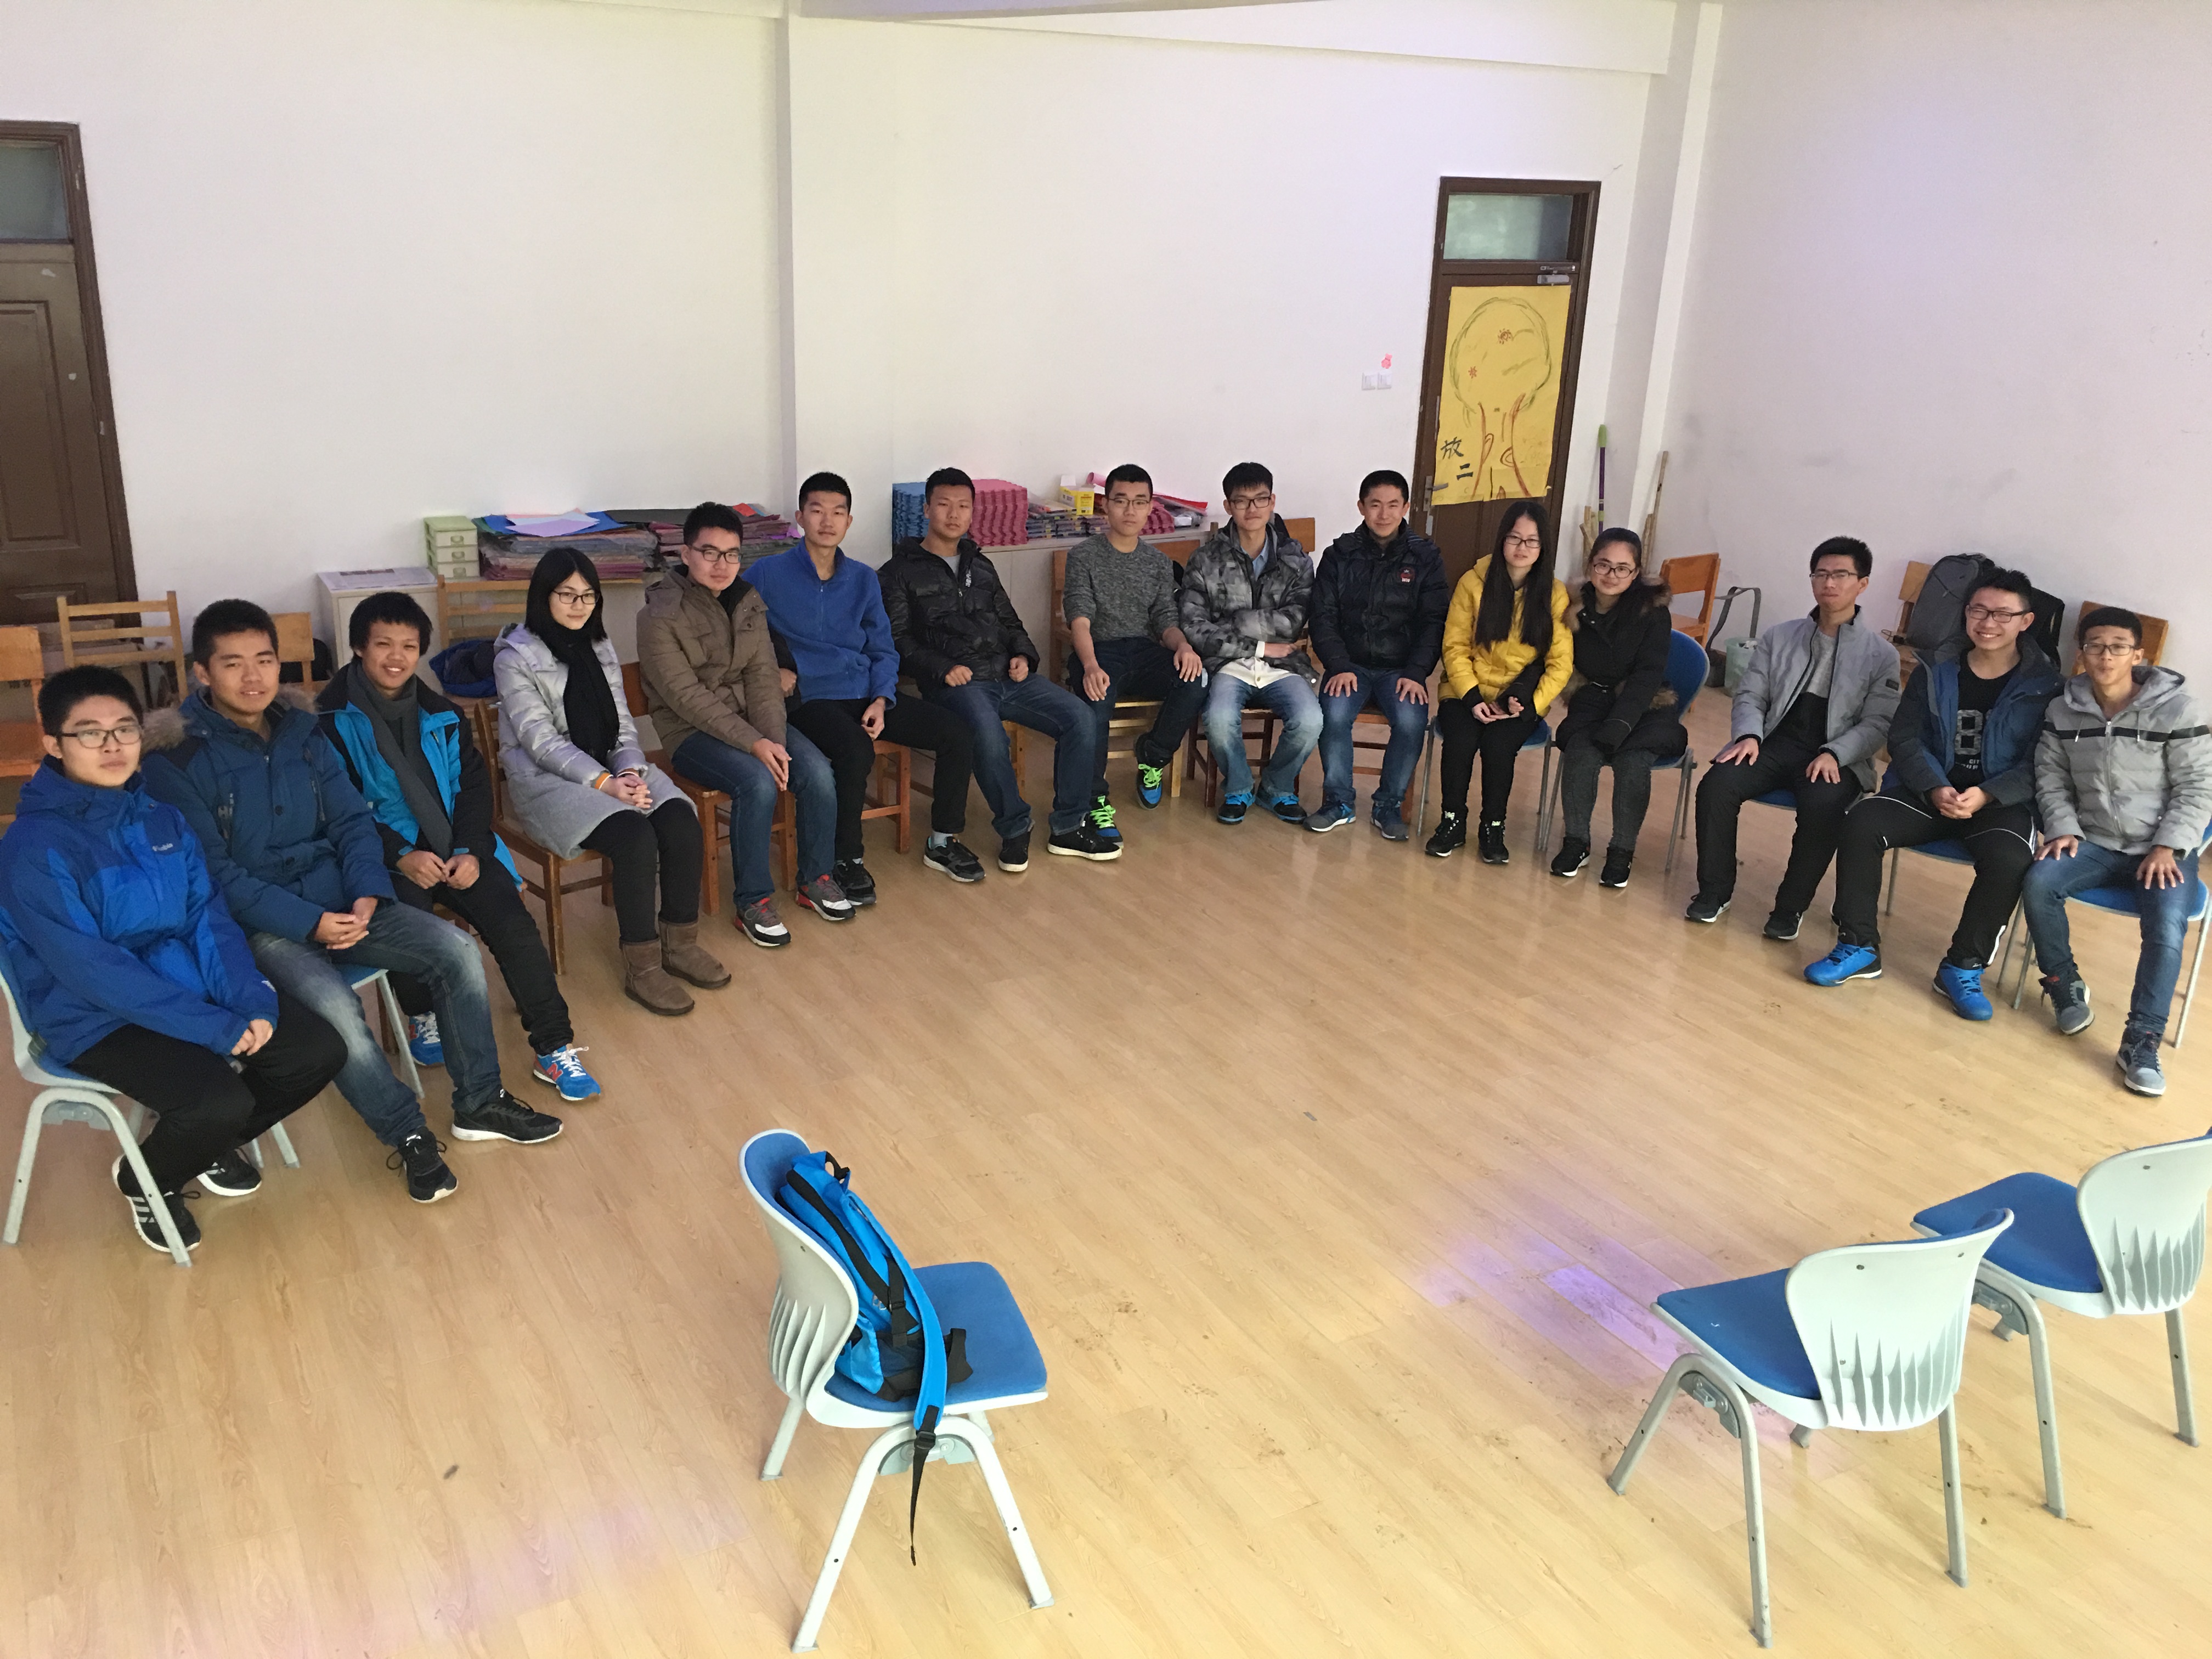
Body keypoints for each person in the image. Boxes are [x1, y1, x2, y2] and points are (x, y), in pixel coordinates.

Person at [144, 600, 560, 1207]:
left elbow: (352, 821)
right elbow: (214, 875)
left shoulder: (302, 729)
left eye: (265, 660)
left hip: (344, 899)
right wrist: (310, 922)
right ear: (202, 673)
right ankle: (408, 1132)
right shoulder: (175, 759)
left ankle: (480, 1102)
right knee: (339, 1013)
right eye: (233, 664)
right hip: (262, 926)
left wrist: (367, 890)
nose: (254, 677)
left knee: (457, 953)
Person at [0, 667, 345, 1252]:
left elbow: (207, 919)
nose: (112, 745)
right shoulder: (33, 847)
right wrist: (215, 1027)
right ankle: (149, 1177)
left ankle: (194, 1145)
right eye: (90, 733)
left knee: (316, 1051)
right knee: (218, 1101)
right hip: (92, 1016)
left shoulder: (162, 819)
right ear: (53, 744)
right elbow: (91, 970)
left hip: (184, 989)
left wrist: (249, 1000)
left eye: (125, 729)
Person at [317, 591, 602, 1101]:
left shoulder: (441, 712)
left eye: (409, 646)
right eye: (383, 644)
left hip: (455, 845)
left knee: (515, 927)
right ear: (359, 647)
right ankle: (421, 1014)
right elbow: (338, 807)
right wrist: (400, 855)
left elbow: (474, 787)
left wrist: (471, 849)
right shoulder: (328, 722)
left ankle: (554, 1046)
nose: (397, 657)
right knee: (406, 925)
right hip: (380, 854)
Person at [1805, 567, 2060, 1017]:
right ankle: (1859, 945)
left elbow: (2041, 761)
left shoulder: (2047, 685)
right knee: (1862, 822)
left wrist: (1987, 794)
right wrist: (1936, 785)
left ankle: (1962, 967)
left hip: (1999, 802)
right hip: (1929, 791)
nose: (1988, 623)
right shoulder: (1935, 667)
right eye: (1979, 610)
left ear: (2026, 621)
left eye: (2003, 614)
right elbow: (1904, 737)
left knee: (2009, 859)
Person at [494, 550, 725, 1014]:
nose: (579, 606)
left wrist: (629, 771)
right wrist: (606, 783)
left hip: (608, 769)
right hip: (546, 782)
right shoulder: (515, 655)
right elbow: (540, 742)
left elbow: (621, 726)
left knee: (681, 821)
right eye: (567, 595)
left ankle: (679, 945)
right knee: (634, 836)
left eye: (588, 596)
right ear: (543, 597)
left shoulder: (599, 646)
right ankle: (643, 967)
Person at [749, 471, 987, 891]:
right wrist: (773, 670)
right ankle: (846, 858)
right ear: (800, 517)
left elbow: (883, 648)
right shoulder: (766, 573)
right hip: (809, 697)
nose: (827, 521)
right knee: (855, 749)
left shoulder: (863, 578)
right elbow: (738, 630)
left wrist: (881, 699)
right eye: (817, 511)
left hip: (864, 693)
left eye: (838, 512)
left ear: (849, 521)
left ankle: (943, 841)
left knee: (957, 732)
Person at [637, 501, 853, 948]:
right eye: (710, 553)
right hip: (690, 733)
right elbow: (687, 698)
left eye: (732, 554)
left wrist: (774, 741)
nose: (722, 565)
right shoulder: (659, 615)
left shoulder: (748, 601)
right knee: (756, 782)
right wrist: (757, 745)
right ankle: (753, 901)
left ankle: (816, 878)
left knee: (815, 771)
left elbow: (763, 678)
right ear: (686, 553)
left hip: (753, 722)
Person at [879, 468, 1116, 867]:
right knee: (989, 737)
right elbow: (897, 639)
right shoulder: (898, 573)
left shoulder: (981, 565)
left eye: (963, 506)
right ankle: (1015, 827)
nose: (954, 514)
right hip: (958, 682)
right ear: (926, 509)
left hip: (1008, 675)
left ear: (973, 512)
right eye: (944, 505)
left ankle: (1068, 827)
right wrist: (942, 668)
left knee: (1080, 717)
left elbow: (1010, 622)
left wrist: (1024, 655)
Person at [2023, 607, 2212, 1097]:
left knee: (2166, 924)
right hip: (2093, 841)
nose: (2105, 656)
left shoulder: (2178, 710)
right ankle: (2064, 983)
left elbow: (2198, 786)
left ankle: (2142, 1040)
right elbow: (2051, 778)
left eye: (2118, 647)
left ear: (2138, 655)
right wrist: (2063, 827)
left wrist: (2168, 845)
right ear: (2081, 653)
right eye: (2095, 646)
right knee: (2039, 883)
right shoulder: (2063, 710)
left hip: (2161, 848)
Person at [1685, 538, 1901, 930]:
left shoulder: (1881, 655)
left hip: (1837, 754)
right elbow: (1751, 694)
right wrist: (1748, 735)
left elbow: (1878, 723)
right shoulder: (1780, 636)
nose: (1829, 583)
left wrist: (1836, 753)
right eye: (1821, 574)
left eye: (1840, 575)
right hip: (1774, 740)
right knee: (1717, 786)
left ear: (1862, 584)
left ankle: (1790, 908)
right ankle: (1714, 891)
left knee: (1824, 807)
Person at [1062, 463, 1207, 831]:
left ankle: (1152, 756)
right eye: (1121, 501)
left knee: (1196, 678)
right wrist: (1090, 665)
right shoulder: (1083, 556)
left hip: (1143, 651)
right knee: (1096, 698)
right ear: (1106, 506)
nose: (1130, 510)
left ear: (1150, 508)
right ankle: (1094, 799)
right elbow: (1080, 619)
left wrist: (1184, 647)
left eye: (1139, 502)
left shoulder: (1158, 563)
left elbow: (1165, 621)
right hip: (1099, 651)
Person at [1427, 501, 1573, 862]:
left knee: (1498, 746)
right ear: (1501, 539)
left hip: (1518, 698)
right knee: (1461, 741)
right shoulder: (1473, 582)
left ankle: (1493, 826)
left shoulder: (1554, 594)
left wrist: (1532, 706)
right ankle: (1452, 821)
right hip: (1466, 689)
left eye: (1532, 541)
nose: (1522, 548)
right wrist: (1471, 696)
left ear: (1543, 547)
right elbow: (1455, 646)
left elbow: (1560, 664)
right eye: (1514, 538)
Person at [1307, 469, 1447, 840]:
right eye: (1375, 505)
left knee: (1411, 721)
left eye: (1393, 505)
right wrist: (1337, 664)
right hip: (1348, 665)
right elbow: (1322, 617)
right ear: (1361, 507)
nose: (1384, 514)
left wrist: (1417, 672)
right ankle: (1338, 802)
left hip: (1401, 669)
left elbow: (1433, 621)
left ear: (1406, 507)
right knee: (1333, 714)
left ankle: (1388, 805)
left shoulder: (1425, 557)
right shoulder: (1339, 555)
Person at [1181, 462, 1322, 826]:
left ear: (1272, 501)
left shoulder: (1295, 559)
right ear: (1228, 506)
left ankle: (1276, 786)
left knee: (1310, 719)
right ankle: (1239, 787)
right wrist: (1257, 647)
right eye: (1242, 501)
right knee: (1219, 718)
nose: (1252, 509)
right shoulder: (1206, 560)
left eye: (1260, 499)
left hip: (1283, 662)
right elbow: (1194, 627)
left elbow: (1294, 621)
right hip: (1227, 663)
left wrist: (1235, 621)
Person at [1549, 528, 1686, 887]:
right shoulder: (1571, 606)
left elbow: (1648, 674)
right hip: (1592, 698)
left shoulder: (1653, 611)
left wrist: (1621, 723)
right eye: (1603, 565)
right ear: (1590, 565)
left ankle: (1622, 850)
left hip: (1645, 703)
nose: (1611, 575)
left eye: (1622, 568)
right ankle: (1576, 842)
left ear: (1636, 572)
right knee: (1581, 753)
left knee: (1633, 760)